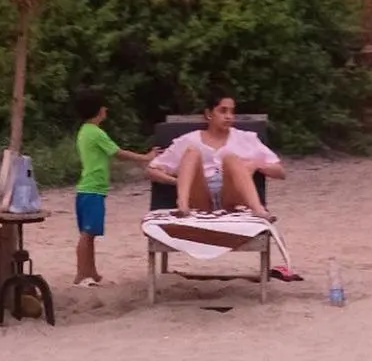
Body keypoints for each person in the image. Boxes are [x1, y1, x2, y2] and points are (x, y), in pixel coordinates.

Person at [146, 89, 284, 220]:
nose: (229, 116)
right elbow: (152, 170)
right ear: (209, 114)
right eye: (223, 111)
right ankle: (182, 205)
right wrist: (178, 181)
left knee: (230, 158)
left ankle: (258, 209)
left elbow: (280, 172)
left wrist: (256, 165)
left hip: (231, 195)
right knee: (192, 152)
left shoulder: (246, 138)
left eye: (231, 112)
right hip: (200, 194)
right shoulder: (188, 140)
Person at [73, 87, 159, 286]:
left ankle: (91, 271)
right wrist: (145, 158)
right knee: (87, 234)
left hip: (89, 189)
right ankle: (81, 274)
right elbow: (118, 153)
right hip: (92, 189)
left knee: (90, 233)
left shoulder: (84, 131)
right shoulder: (96, 133)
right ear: (98, 109)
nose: (107, 109)